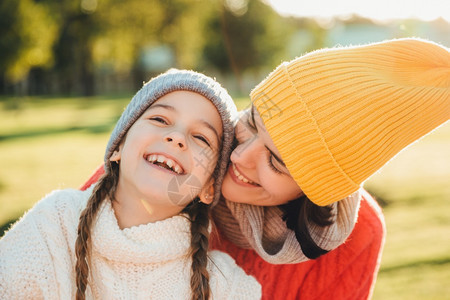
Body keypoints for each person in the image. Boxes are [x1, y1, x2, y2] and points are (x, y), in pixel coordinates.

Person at [80, 38, 449, 299]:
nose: (240, 157)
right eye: (253, 123)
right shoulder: (164, 169)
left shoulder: (359, 238)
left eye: (276, 161)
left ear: (315, 189)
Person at [0, 69, 261, 299]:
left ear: (209, 188)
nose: (176, 137)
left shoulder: (224, 286)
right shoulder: (54, 224)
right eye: (160, 120)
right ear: (119, 146)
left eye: (201, 138)